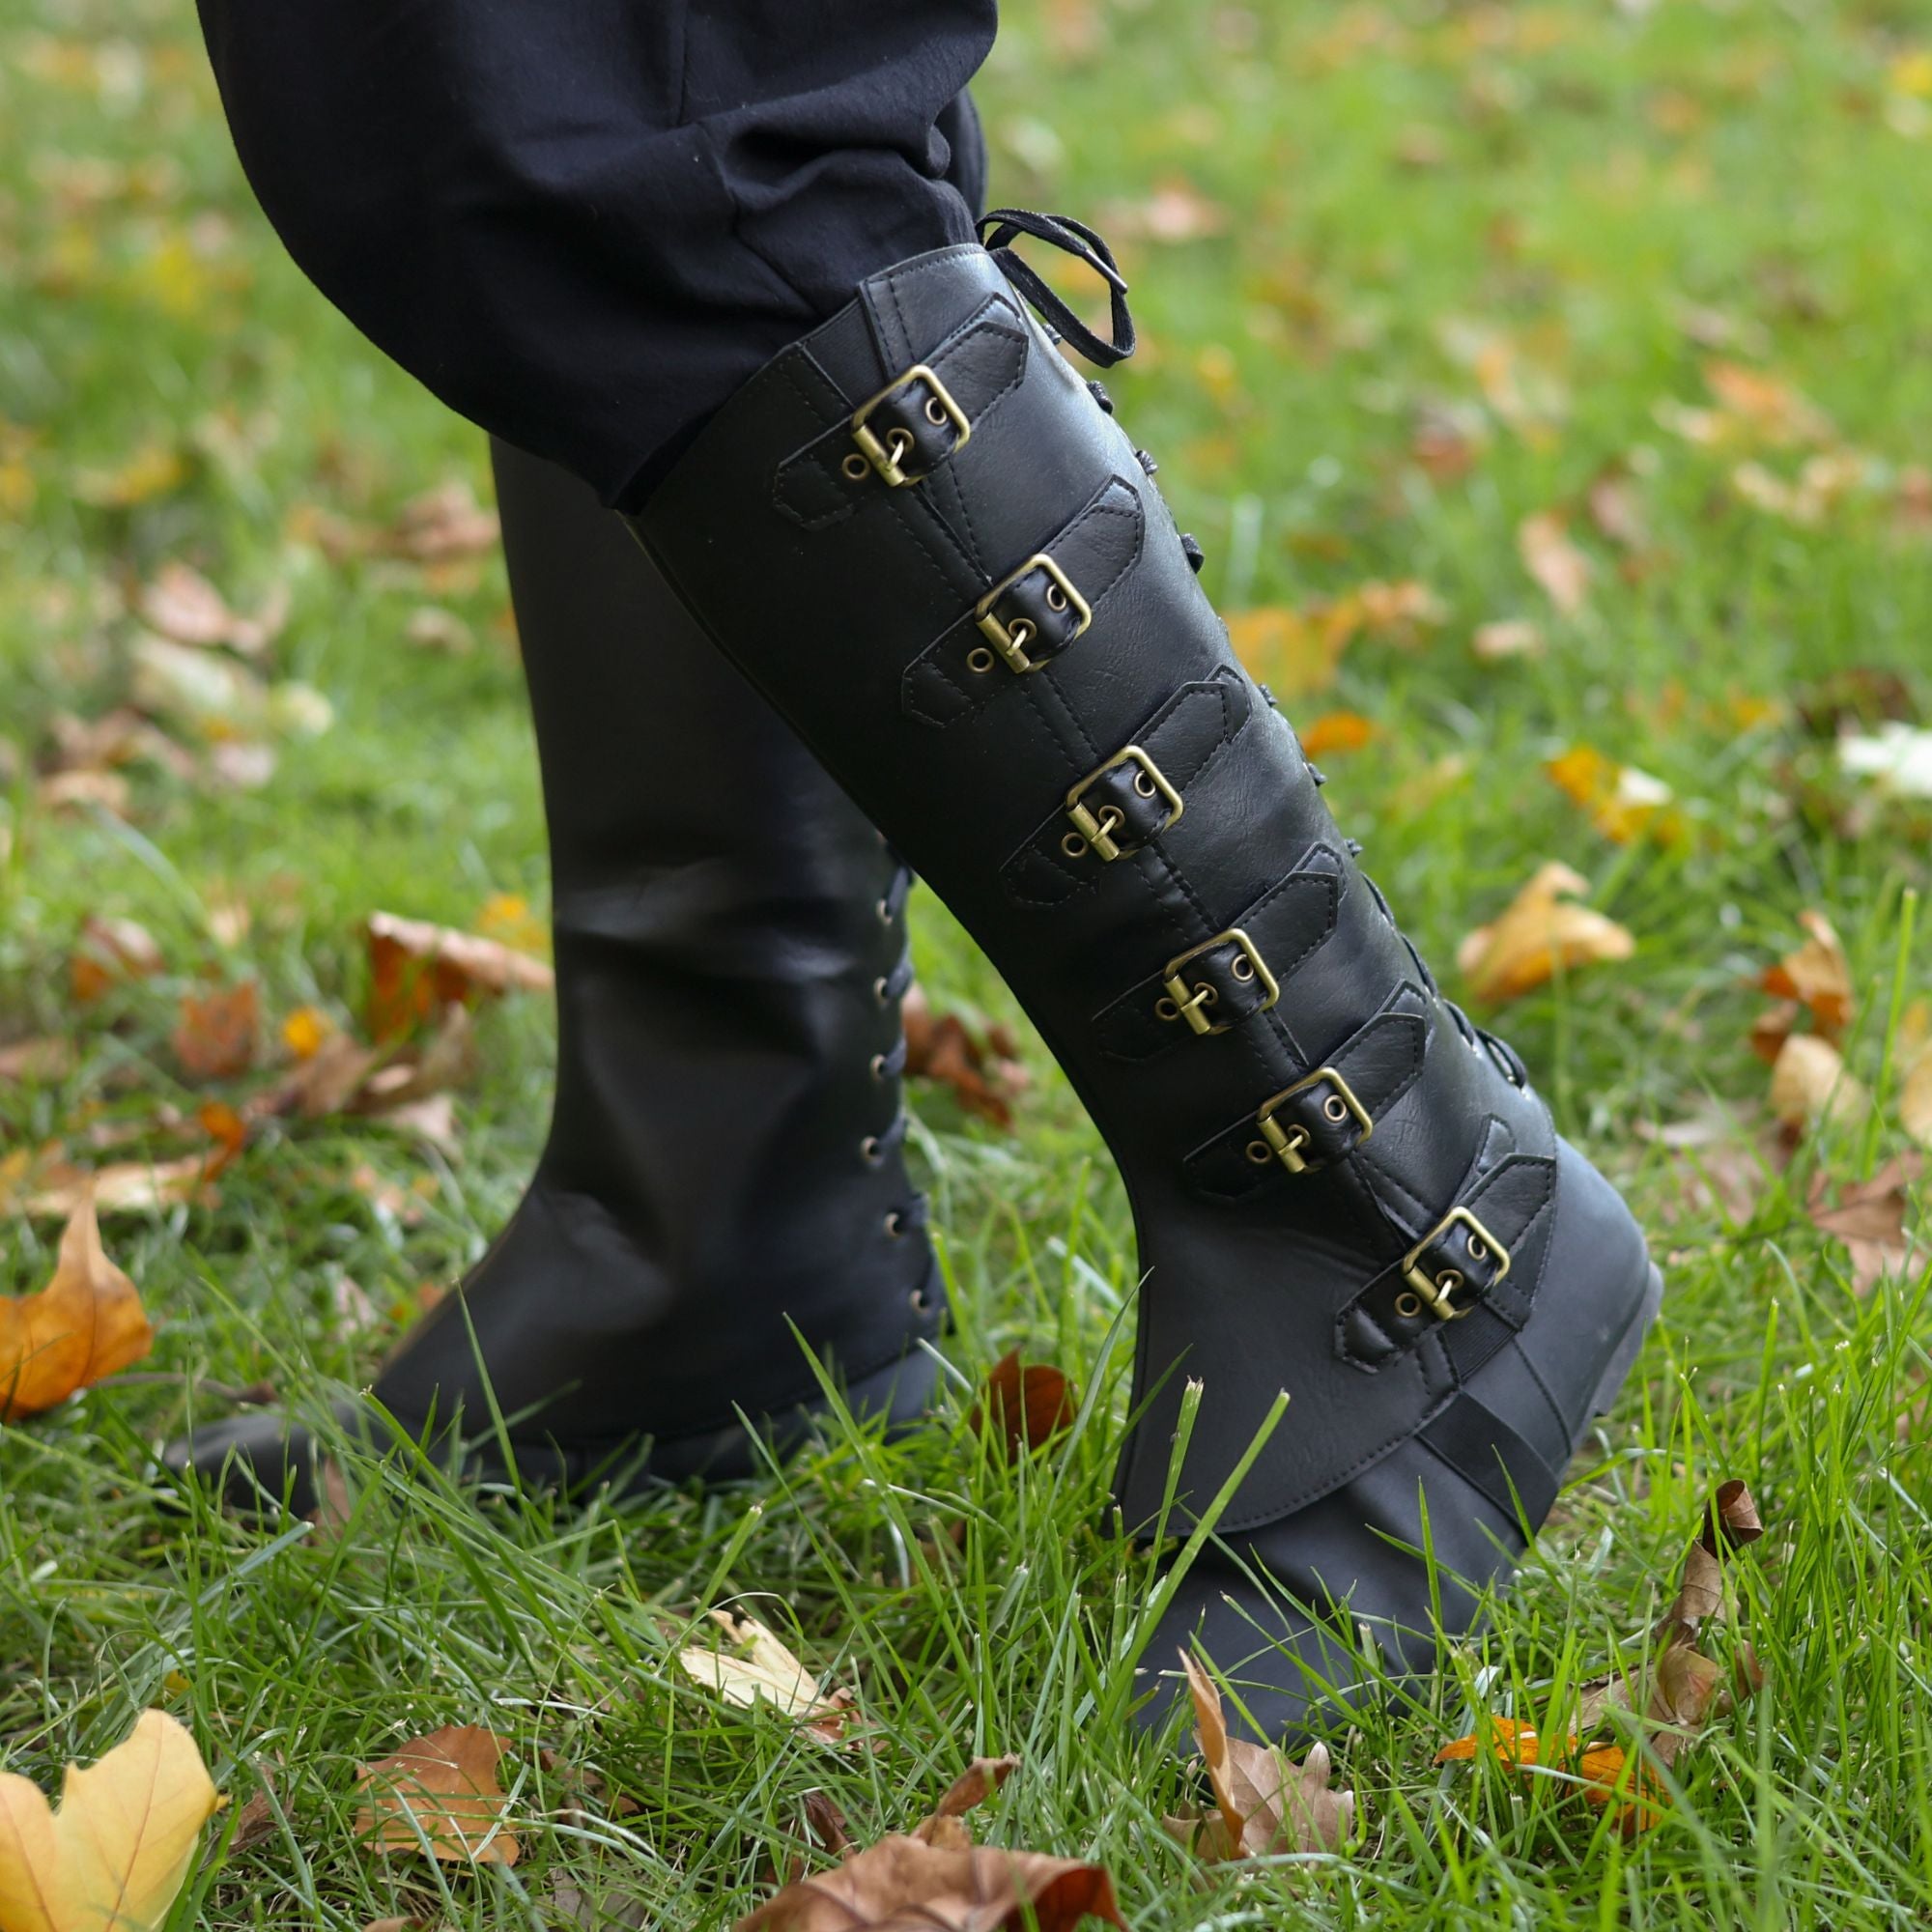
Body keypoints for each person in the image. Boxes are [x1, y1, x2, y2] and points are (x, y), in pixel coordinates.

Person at [168, 2, 1661, 1744]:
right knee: (580, 129)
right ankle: (718, 1224)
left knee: (610, 127)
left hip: (1393, 1245)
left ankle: (1397, 1222)